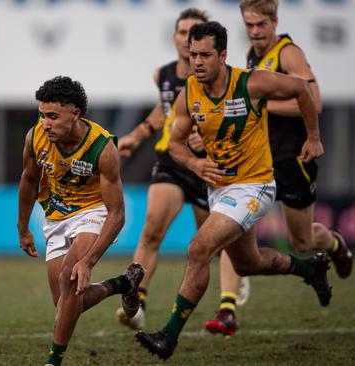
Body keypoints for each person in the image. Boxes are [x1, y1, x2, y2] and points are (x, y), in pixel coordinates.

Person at [135, 21, 332, 361]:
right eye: (193, 54)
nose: (197, 62)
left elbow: (302, 91)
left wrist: (312, 137)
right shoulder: (188, 95)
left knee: (199, 248)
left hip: (254, 186)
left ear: (223, 55)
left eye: (205, 55)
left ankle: (168, 336)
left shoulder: (251, 82)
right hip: (219, 189)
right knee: (248, 263)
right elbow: (176, 144)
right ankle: (309, 269)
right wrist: (196, 166)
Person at [115, 8, 247, 336]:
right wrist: (137, 135)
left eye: (193, 34)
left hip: (211, 167)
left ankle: (227, 305)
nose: (187, 40)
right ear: (176, 38)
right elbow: (163, 113)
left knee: (217, 243)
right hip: (173, 162)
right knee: (151, 230)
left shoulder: (222, 78)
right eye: (182, 32)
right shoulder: (163, 75)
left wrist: (208, 137)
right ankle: (138, 302)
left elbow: (239, 116)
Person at [17, 76, 145, 366]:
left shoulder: (103, 148)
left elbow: (117, 214)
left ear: (75, 114)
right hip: (57, 216)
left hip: (94, 213)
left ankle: (53, 361)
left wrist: (87, 262)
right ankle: (123, 284)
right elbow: (29, 180)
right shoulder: (35, 137)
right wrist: (23, 226)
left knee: (69, 277)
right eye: (42, 115)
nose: (45, 123)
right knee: (68, 303)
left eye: (52, 116)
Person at [240, 0, 353, 280]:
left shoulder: (288, 54)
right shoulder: (251, 55)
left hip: (292, 156)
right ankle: (227, 303)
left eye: (261, 24)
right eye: (249, 25)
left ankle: (334, 243)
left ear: (275, 22)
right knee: (236, 228)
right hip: (261, 158)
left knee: (301, 242)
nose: (255, 31)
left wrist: (260, 105)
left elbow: (313, 103)